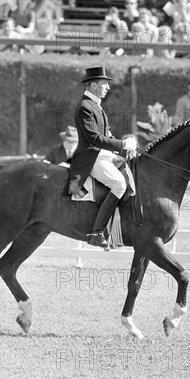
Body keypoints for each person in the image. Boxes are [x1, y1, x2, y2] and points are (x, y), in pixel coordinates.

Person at [68, 66, 138, 249]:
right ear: (92, 85)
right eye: (104, 84)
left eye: (107, 84)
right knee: (119, 184)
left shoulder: (96, 106)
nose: (107, 87)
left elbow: (106, 135)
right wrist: (122, 145)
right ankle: (96, 232)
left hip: (103, 155)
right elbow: (94, 139)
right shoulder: (85, 107)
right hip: (91, 158)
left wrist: (124, 148)